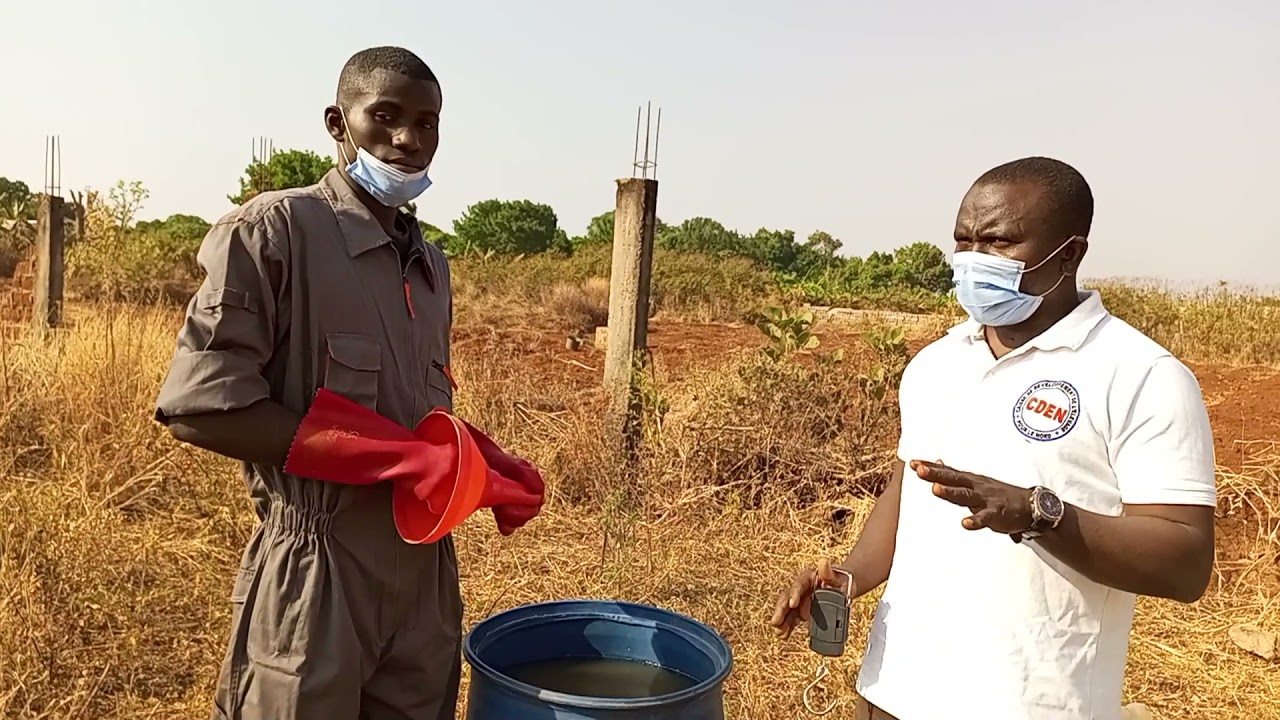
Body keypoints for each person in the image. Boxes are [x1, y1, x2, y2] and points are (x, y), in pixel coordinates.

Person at [154, 46, 543, 719]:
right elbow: (201, 407)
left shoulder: (431, 264)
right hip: (318, 567)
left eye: (427, 124)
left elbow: (409, 408)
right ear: (338, 123)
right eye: (385, 116)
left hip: (423, 574)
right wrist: (398, 459)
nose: (407, 140)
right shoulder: (275, 230)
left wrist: (475, 462)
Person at [769, 157, 1216, 720]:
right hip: (896, 689)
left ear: (1070, 254)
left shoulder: (1141, 375)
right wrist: (850, 574)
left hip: (1033, 702)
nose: (974, 261)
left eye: (1000, 242)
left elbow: (1186, 561)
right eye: (963, 241)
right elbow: (909, 486)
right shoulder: (936, 364)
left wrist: (1037, 514)